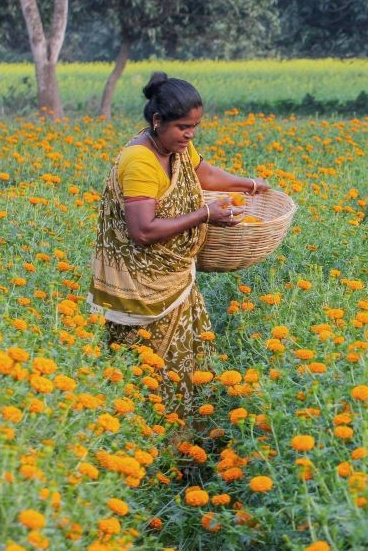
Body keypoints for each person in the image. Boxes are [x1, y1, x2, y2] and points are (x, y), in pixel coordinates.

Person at [88, 72, 270, 423]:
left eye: (195, 127)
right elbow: (142, 231)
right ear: (158, 121)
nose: (190, 134)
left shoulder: (174, 147)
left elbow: (203, 173)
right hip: (141, 287)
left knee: (186, 361)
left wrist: (249, 184)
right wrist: (205, 214)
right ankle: (146, 438)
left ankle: (187, 436)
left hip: (175, 279)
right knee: (146, 373)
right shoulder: (139, 161)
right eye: (184, 126)